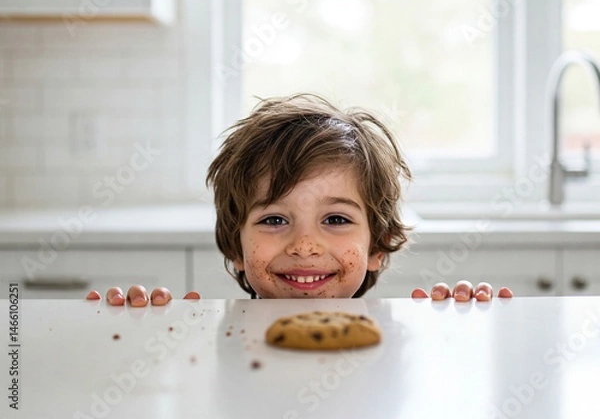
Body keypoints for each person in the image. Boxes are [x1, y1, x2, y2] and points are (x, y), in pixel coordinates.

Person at [87, 93, 513, 306]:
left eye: (336, 219)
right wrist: (145, 341)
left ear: (378, 245)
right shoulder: (207, 346)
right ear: (236, 246)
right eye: (274, 220)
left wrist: (464, 331)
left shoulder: (396, 346)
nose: (304, 245)